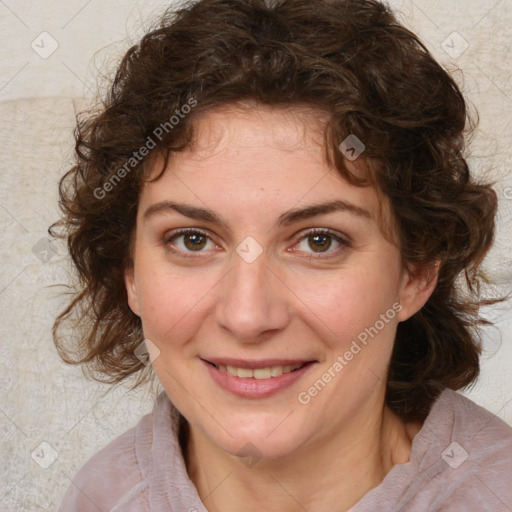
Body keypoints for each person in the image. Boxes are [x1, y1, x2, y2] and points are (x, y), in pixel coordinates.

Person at [53, 0, 512, 510]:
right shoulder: (98, 497)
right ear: (131, 273)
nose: (248, 317)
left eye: (319, 241)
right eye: (193, 240)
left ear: (416, 272)